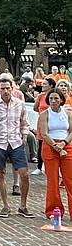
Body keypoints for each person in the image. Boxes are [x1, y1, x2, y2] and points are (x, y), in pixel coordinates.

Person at [0, 75, 34, 218]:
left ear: (12, 88)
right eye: (2, 88)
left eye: (8, 88)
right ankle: (5, 205)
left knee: (24, 173)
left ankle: (23, 206)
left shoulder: (19, 103)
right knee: (1, 173)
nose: (5, 91)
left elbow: (24, 122)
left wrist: (23, 137)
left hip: (16, 142)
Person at [38, 88, 72, 220]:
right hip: (50, 146)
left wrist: (63, 144)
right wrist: (56, 147)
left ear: (62, 99)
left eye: (56, 98)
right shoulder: (44, 115)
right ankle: (53, 211)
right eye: (51, 98)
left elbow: (71, 132)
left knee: (69, 180)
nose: (53, 101)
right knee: (52, 181)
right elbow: (44, 133)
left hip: (66, 146)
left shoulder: (68, 114)